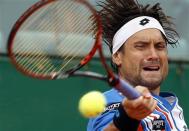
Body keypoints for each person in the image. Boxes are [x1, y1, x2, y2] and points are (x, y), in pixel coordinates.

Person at [87, 0, 188, 130]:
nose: (154, 55)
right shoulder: (109, 104)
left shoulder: (170, 103)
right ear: (117, 56)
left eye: (159, 46)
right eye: (141, 46)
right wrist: (126, 118)